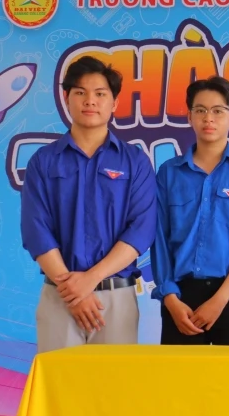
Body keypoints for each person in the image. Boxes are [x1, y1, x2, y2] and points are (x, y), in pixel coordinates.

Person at [20, 56, 156, 353]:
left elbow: (142, 230)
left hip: (116, 299)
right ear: (66, 98)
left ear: (114, 102)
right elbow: (35, 230)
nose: (90, 101)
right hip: (60, 297)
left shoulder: (135, 161)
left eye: (100, 93)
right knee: (59, 382)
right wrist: (74, 291)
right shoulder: (43, 161)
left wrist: (90, 280)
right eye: (80, 92)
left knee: (113, 382)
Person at [151, 76, 229, 345]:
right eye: (200, 110)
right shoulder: (169, 173)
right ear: (189, 117)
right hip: (181, 300)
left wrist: (220, 300)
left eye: (218, 111)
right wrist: (170, 298)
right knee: (182, 373)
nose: (208, 118)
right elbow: (159, 241)